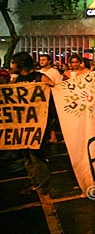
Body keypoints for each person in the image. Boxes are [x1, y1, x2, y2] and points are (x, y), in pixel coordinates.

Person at [10, 52, 54, 194]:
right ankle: (35, 181)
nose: (11, 66)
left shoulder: (39, 76)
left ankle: (42, 184)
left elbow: (54, 88)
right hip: (24, 124)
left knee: (37, 154)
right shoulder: (17, 80)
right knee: (27, 155)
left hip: (39, 123)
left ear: (21, 64)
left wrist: (43, 87)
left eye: (13, 62)